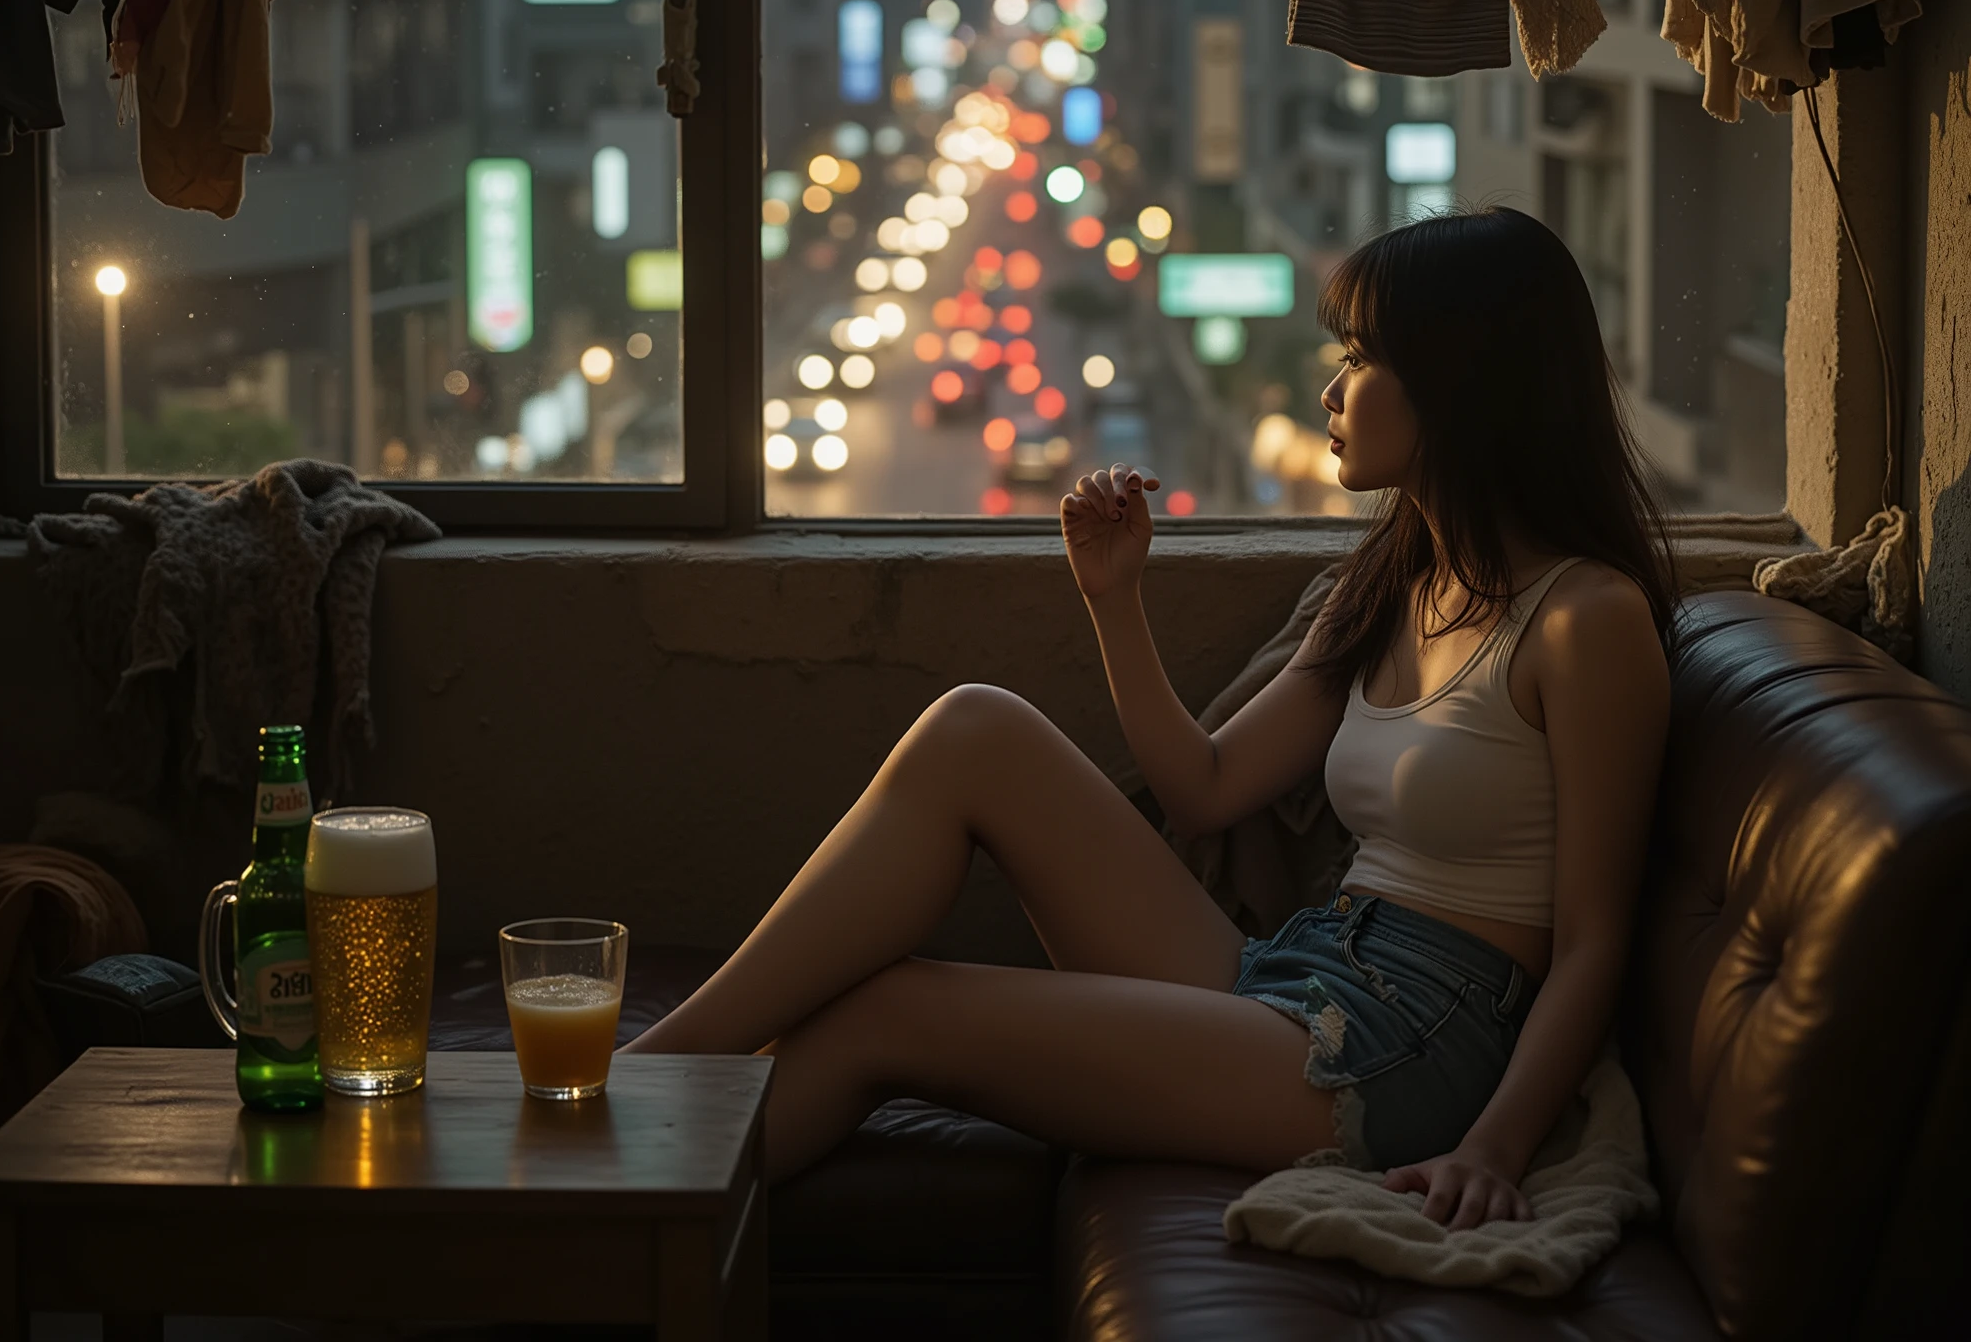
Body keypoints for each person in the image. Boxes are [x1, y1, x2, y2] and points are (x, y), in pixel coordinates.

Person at [626, 207, 1674, 1231]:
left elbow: (1591, 943)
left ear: (1455, 382)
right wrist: (1114, 598)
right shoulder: (1393, 579)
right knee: (973, 728)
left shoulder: (1586, 620)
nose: (1330, 388)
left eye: (1358, 359)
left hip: (1408, 1046)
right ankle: (647, 1073)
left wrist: (1490, 1148)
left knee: (887, 1014)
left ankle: (602, 1200)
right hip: (1307, 971)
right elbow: (1205, 786)